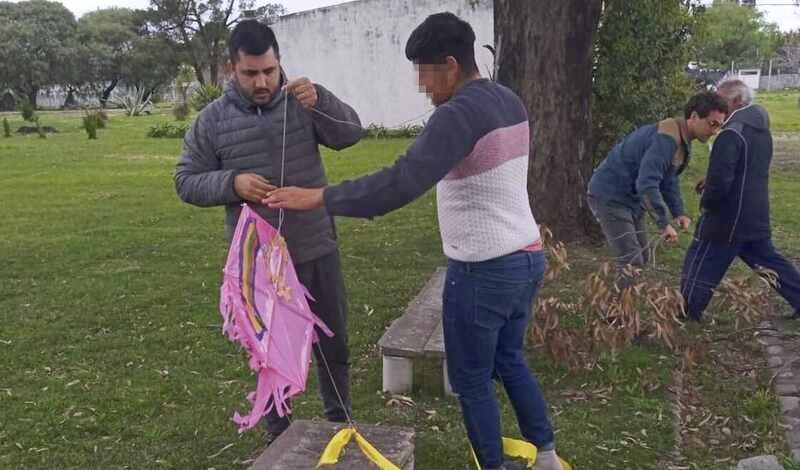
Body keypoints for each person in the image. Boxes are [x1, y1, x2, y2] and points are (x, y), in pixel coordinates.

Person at [265, 12, 564, 470]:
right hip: (526, 258)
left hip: (483, 270)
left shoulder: (458, 115)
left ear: (448, 64)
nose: (422, 85)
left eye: (423, 72)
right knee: (509, 359)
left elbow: (398, 183)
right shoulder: (507, 99)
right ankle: (544, 453)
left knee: (471, 379)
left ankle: (493, 464)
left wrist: (318, 197)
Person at [174, 20, 363, 441]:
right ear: (231, 69)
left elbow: (351, 134)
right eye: (250, 73)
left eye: (268, 71)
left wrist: (322, 101)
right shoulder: (212, 121)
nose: (262, 82)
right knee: (271, 356)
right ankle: (280, 441)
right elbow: (185, 181)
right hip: (258, 265)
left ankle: (340, 426)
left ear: (279, 64)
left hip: (316, 246)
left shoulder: (302, 101)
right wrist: (232, 183)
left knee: (333, 345)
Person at [681, 79, 800, 321]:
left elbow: (723, 179)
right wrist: (711, 178)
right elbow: (746, 169)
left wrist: (708, 204)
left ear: (736, 101)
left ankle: (686, 310)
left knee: (703, 260)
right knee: (770, 263)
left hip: (728, 218)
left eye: (721, 99)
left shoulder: (731, 132)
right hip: (754, 212)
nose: (717, 106)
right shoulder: (760, 129)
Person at [587, 93, 729, 274]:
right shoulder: (666, 139)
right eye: (712, 124)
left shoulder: (681, 136)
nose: (715, 131)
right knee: (632, 260)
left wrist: (678, 213)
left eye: (719, 126)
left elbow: (668, 179)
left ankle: (630, 298)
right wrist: (663, 223)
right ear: (693, 116)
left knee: (643, 257)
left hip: (631, 198)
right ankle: (621, 302)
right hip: (610, 196)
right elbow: (647, 184)